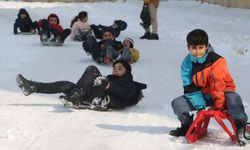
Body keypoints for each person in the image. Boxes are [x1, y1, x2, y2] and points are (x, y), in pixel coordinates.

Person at [169, 29, 248, 145]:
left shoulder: (217, 61)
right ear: (188, 47)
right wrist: (201, 107)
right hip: (203, 95)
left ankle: (240, 126)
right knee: (176, 104)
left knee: (234, 99)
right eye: (194, 48)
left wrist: (220, 105)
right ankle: (187, 125)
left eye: (201, 48)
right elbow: (189, 87)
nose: (197, 51)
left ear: (206, 46)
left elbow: (217, 85)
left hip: (223, 93)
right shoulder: (187, 63)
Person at [16, 60, 147, 111]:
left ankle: (75, 96)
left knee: (92, 69)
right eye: (114, 68)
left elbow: (125, 95)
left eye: (120, 68)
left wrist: (108, 86)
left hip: (101, 98)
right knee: (66, 84)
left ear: (127, 71)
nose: (115, 70)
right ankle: (33, 87)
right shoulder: (107, 79)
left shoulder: (130, 83)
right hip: (91, 94)